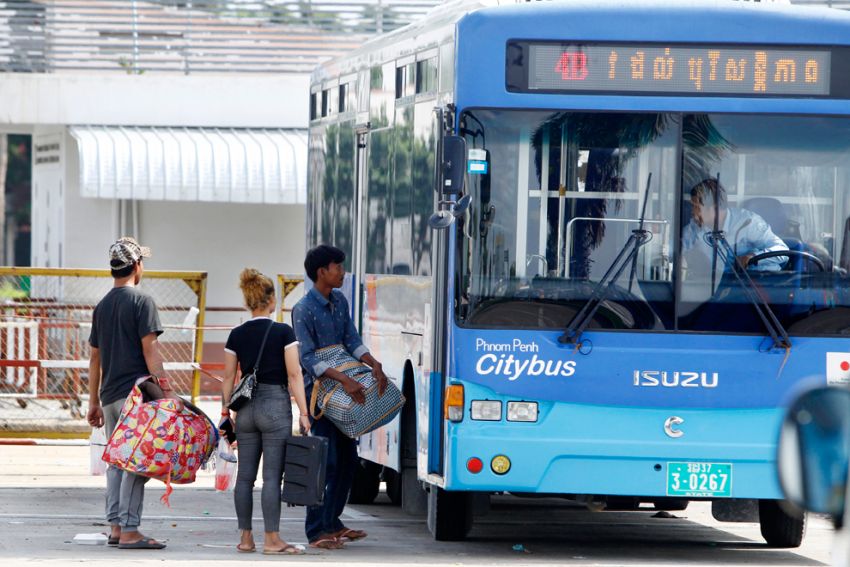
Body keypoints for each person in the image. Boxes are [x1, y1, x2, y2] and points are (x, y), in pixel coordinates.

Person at [292, 245, 388, 550]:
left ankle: (333, 523)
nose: (342, 272)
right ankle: (315, 531)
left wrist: (374, 364)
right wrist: (344, 378)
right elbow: (307, 358)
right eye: (337, 267)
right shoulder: (303, 309)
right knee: (325, 462)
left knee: (348, 461)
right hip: (320, 398)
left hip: (345, 395)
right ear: (322, 272)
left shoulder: (340, 301)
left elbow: (352, 340)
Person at [86, 236, 177, 550]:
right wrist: (167, 392)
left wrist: (93, 401)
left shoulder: (102, 306)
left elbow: (94, 357)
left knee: (116, 462)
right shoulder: (142, 301)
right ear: (137, 265)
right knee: (138, 464)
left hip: (109, 396)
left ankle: (115, 527)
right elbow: (150, 351)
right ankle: (130, 530)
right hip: (135, 397)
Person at [220, 268, 310, 555]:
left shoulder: (236, 334)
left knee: (245, 477)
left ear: (249, 301)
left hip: (244, 409)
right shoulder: (283, 332)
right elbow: (294, 374)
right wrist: (304, 413)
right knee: (272, 477)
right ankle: (272, 540)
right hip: (274, 407)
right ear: (271, 300)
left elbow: (228, 377)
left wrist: (226, 411)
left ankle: (245, 539)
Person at [682, 178, 788, 273]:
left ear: (715, 208)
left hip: (758, 286)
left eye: (697, 207)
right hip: (720, 287)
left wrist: (753, 257)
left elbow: (783, 251)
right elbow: (675, 248)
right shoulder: (695, 227)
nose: (693, 212)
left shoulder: (748, 222)